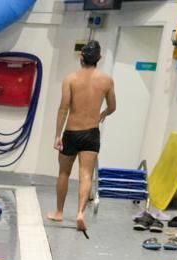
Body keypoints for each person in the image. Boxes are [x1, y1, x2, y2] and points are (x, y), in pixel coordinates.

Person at [49, 40, 116, 233]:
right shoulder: (106, 80)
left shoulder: (70, 79)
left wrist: (57, 135)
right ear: (99, 59)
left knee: (64, 173)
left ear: (81, 58)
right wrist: (103, 114)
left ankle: (59, 212)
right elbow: (112, 107)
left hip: (71, 132)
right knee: (86, 174)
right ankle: (80, 213)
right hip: (91, 134)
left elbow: (63, 108)